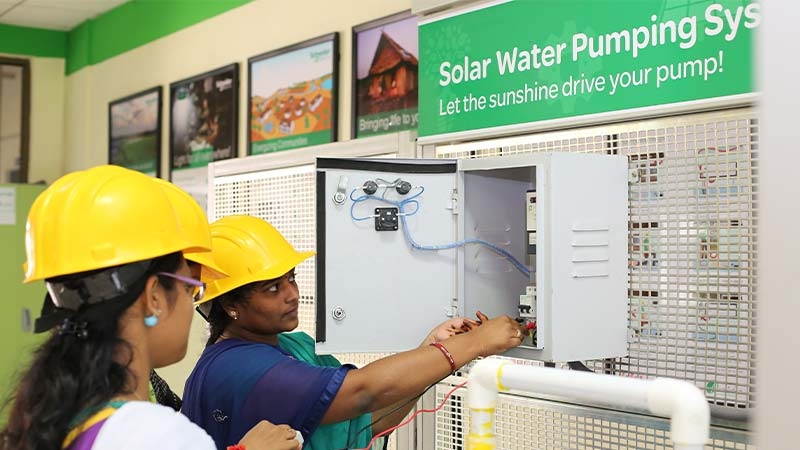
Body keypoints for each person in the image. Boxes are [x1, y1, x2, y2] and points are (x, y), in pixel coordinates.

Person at [0, 166, 300, 450]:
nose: (191, 301)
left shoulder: (57, 414)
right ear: (154, 296)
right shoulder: (155, 433)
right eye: (189, 286)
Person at [182, 215, 526, 450]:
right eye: (272, 288)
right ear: (230, 305)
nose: (291, 294)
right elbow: (362, 391)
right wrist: (475, 342)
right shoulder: (237, 368)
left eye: (291, 278)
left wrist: (432, 348)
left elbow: (367, 419)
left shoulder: (292, 346)